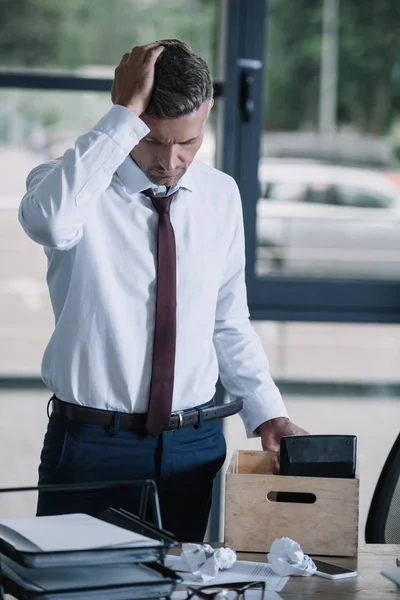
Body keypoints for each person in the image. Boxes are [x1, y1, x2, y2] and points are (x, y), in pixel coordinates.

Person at [18, 39, 307, 542]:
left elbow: (227, 319)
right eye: (152, 140)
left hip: (193, 445)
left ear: (208, 114)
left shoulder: (220, 195)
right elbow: (48, 223)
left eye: (187, 143)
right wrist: (123, 111)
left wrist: (268, 411)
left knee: (182, 590)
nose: (169, 162)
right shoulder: (73, 187)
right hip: (93, 446)